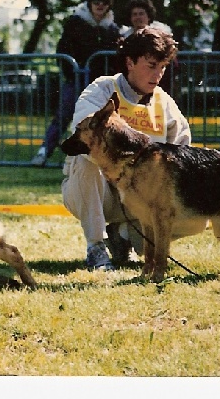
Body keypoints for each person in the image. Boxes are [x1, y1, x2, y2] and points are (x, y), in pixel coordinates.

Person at [61, 28, 191, 270]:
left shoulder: (165, 103)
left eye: (162, 67)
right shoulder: (102, 89)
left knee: (195, 218)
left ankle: (123, 235)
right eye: (151, 65)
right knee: (85, 156)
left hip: (140, 198)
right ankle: (96, 247)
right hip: (99, 193)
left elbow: (182, 152)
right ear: (130, 62)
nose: (158, 74)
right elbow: (82, 130)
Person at [31, 0, 121, 167]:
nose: (100, 5)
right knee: (63, 116)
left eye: (104, 1)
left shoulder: (112, 29)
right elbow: (63, 50)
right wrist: (72, 73)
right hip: (76, 80)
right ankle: (43, 152)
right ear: (89, 3)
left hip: (101, 84)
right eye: (96, 0)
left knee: (103, 120)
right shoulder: (75, 22)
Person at [119, 0, 174, 89]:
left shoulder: (161, 35)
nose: (138, 17)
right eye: (134, 14)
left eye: (141, 14)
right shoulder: (125, 37)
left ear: (148, 16)